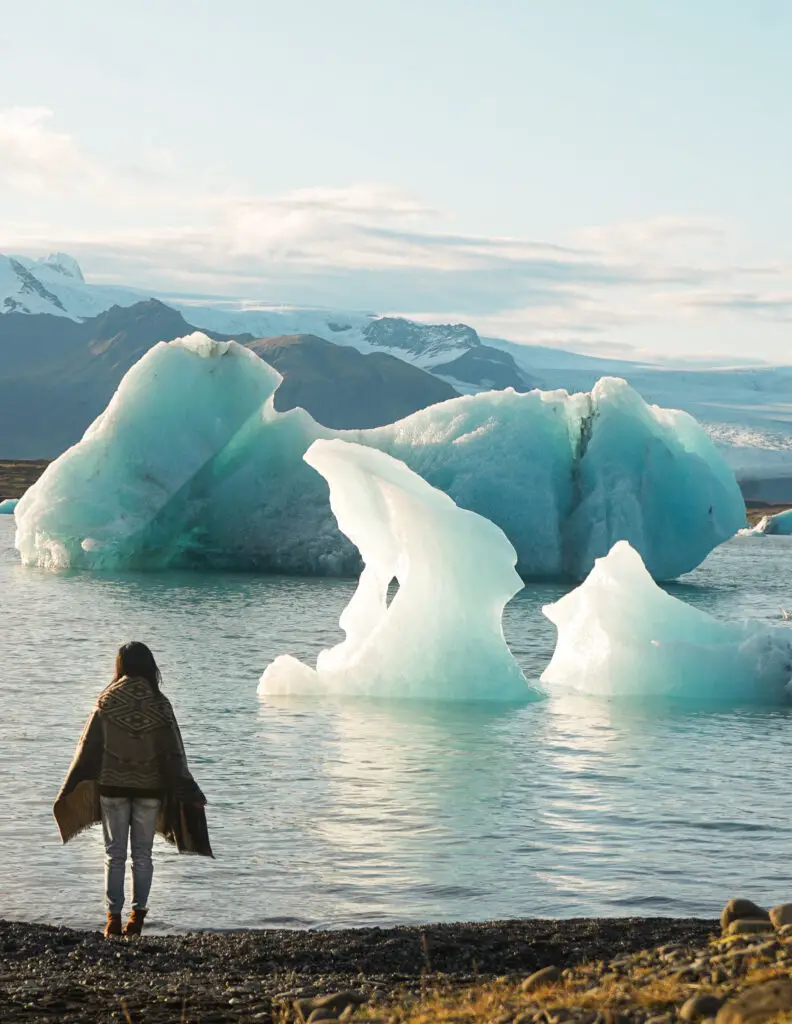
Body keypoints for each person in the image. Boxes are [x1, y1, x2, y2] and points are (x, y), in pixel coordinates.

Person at [54, 642, 212, 937]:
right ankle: (136, 919)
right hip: (149, 792)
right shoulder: (160, 704)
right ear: (150, 666)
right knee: (143, 855)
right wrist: (190, 791)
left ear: (121, 665)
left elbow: (87, 748)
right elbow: (174, 753)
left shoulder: (106, 700)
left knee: (114, 854)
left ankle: (112, 919)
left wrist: (70, 785)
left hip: (112, 789)